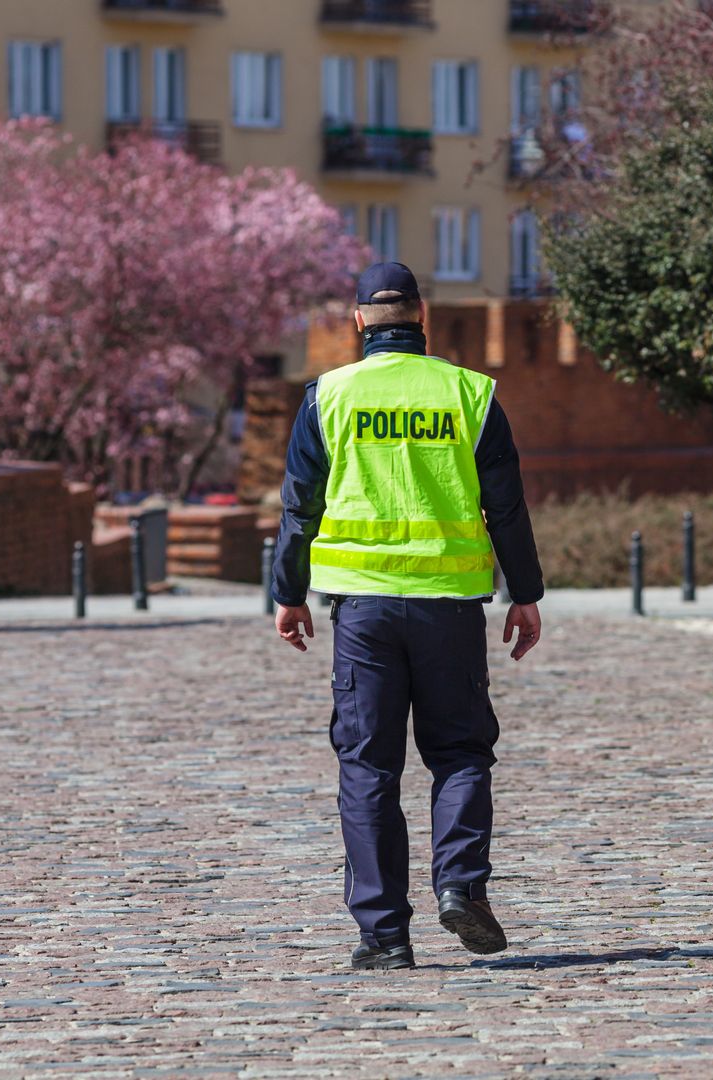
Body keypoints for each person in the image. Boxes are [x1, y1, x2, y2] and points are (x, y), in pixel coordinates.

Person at [271, 262, 546, 971]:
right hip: (449, 607)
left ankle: (384, 936)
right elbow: (506, 504)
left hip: (360, 609)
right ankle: (459, 885)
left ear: (358, 320)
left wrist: (287, 590)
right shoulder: (469, 393)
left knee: (367, 765)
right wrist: (525, 592)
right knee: (458, 753)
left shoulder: (326, 396)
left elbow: (300, 504)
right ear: (422, 317)